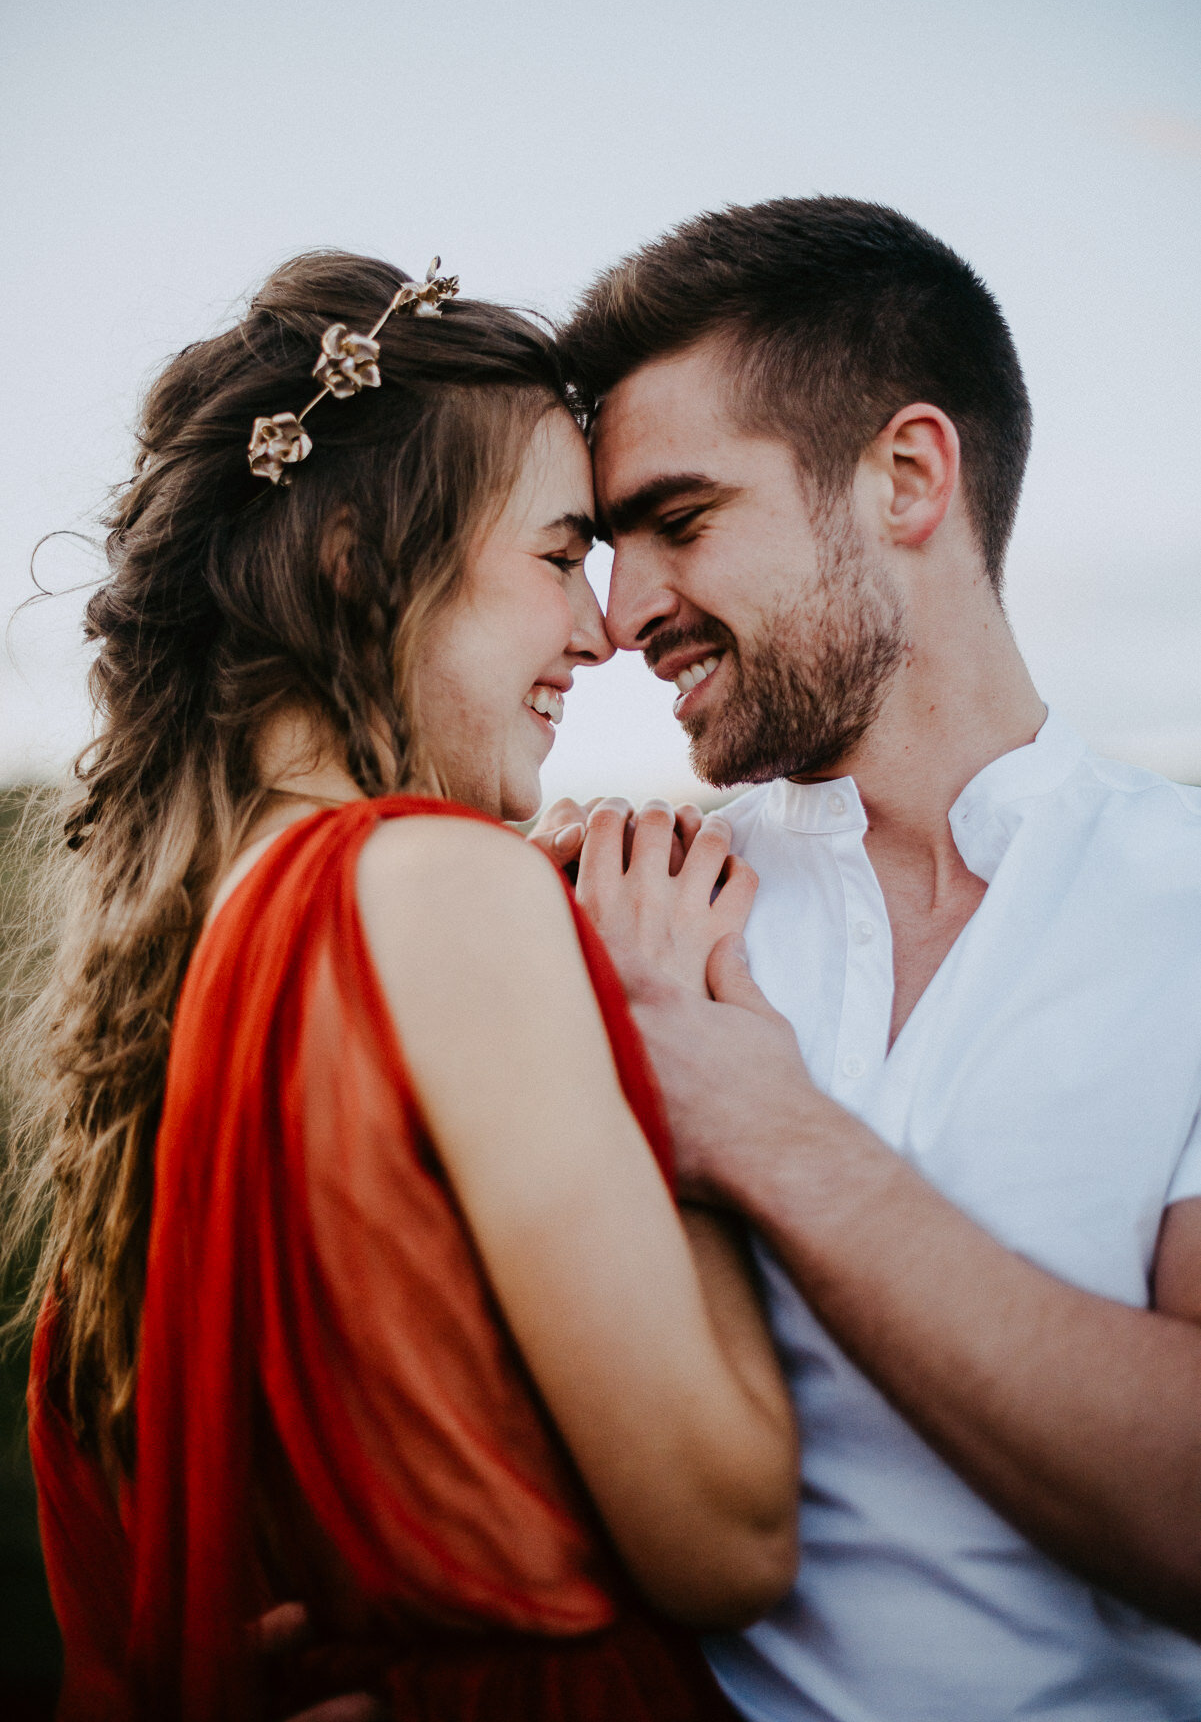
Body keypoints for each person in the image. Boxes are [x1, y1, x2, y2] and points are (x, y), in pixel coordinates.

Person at [11, 250, 801, 1721]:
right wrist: (674, 1056)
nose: (599, 632)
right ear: (357, 558)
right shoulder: (436, 886)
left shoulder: (156, 991)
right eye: (560, 555)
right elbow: (729, 1539)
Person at [538, 197, 1201, 1720]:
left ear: (905, 475)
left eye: (679, 521)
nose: (624, 610)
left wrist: (768, 1132)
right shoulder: (631, 907)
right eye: (606, 542)